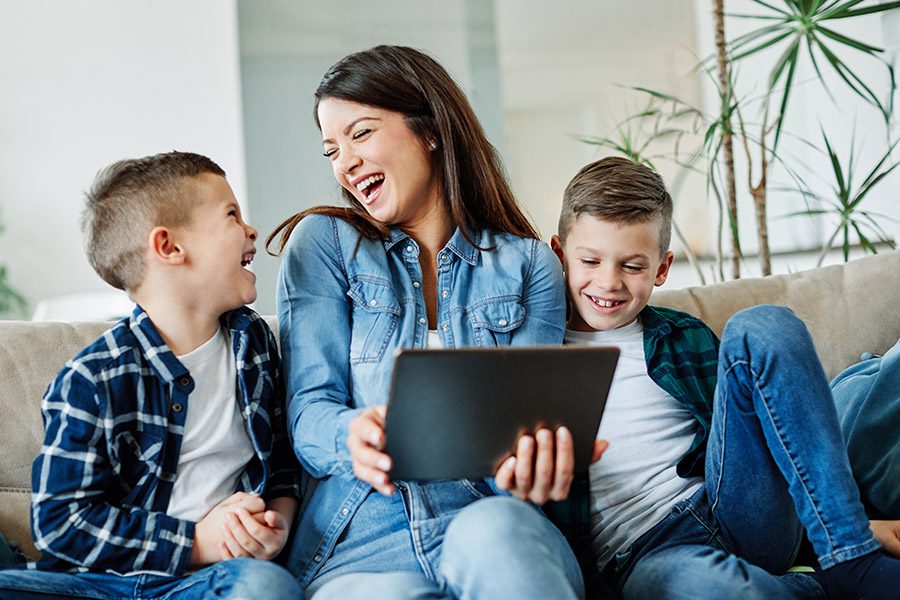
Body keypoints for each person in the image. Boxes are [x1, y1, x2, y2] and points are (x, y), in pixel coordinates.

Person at [270, 45, 591, 599]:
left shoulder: (530, 265)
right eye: (331, 148)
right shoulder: (323, 245)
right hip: (362, 534)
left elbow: (522, 433)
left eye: (361, 133)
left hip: (489, 516)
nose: (343, 162)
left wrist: (532, 464)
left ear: (430, 130)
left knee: (497, 533)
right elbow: (307, 411)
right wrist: (351, 434)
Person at [551, 156, 900, 599]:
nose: (609, 281)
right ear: (560, 254)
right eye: (591, 261)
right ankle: (810, 589)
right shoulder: (536, 355)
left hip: (737, 511)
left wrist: (853, 527)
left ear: (661, 268)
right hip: (648, 559)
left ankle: (850, 556)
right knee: (716, 590)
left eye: (632, 266)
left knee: (763, 325)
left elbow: (763, 439)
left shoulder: (683, 340)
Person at [0, 152, 303, 600]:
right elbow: (60, 524)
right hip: (99, 583)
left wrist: (274, 525)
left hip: (204, 583)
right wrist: (198, 541)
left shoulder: (253, 344)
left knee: (265, 586)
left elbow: (281, 461)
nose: (251, 229)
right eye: (231, 215)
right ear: (169, 247)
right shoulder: (92, 379)